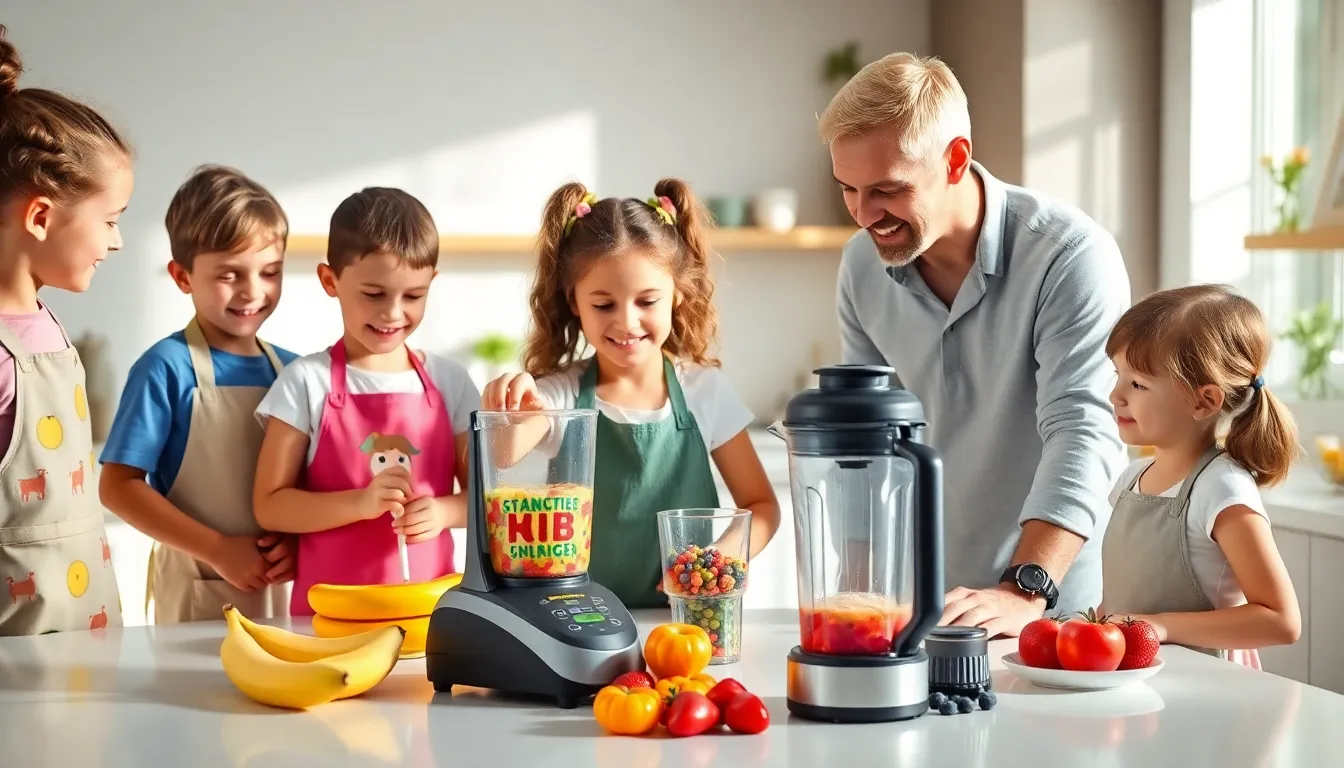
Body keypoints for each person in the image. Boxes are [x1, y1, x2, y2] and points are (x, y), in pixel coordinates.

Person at [823, 51, 1130, 635]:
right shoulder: (860, 267)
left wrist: (1024, 590)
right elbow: (863, 440)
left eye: (888, 189)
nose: (865, 215)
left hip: (1046, 610)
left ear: (956, 160)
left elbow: (1084, 429)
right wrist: (857, 594)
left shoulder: (1069, 256)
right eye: (848, 189)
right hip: (916, 606)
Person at [482, 179, 780, 610]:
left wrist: (724, 555)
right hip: (583, 622)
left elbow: (762, 505)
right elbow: (506, 452)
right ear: (574, 304)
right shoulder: (562, 395)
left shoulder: (704, 393)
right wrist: (513, 400)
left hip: (687, 625)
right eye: (603, 305)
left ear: (678, 294)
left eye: (647, 301)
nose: (626, 322)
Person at [253, 187, 479, 616]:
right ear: (330, 281)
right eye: (374, 294)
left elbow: (484, 499)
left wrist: (446, 510)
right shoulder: (306, 381)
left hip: (430, 617)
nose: (394, 313)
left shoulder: (451, 382)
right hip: (328, 623)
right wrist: (360, 503)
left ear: (432, 282)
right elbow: (270, 505)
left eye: (413, 296)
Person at [99, 165, 299, 624]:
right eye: (230, 275)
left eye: (270, 272)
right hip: (198, 589)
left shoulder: (295, 372)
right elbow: (117, 487)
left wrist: (297, 543)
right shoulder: (165, 368)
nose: (253, 291)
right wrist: (217, 549)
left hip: (286, 589)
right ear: (182, 276)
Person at [0, 25, 135, 635]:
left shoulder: (48, 324)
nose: (116, 239)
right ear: (41, 215)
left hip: (86, 633)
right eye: (109, 220)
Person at [1101, 284, 1301, 667]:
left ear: (1203, 400)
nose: (1116, 395)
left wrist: (1160, 627)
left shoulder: (1222, 488)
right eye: (1118, 375)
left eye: (1138, 383)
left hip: (1211, 691)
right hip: (1141, 684)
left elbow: (1281, 621)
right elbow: (1128, 602)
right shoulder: (1130, 479)